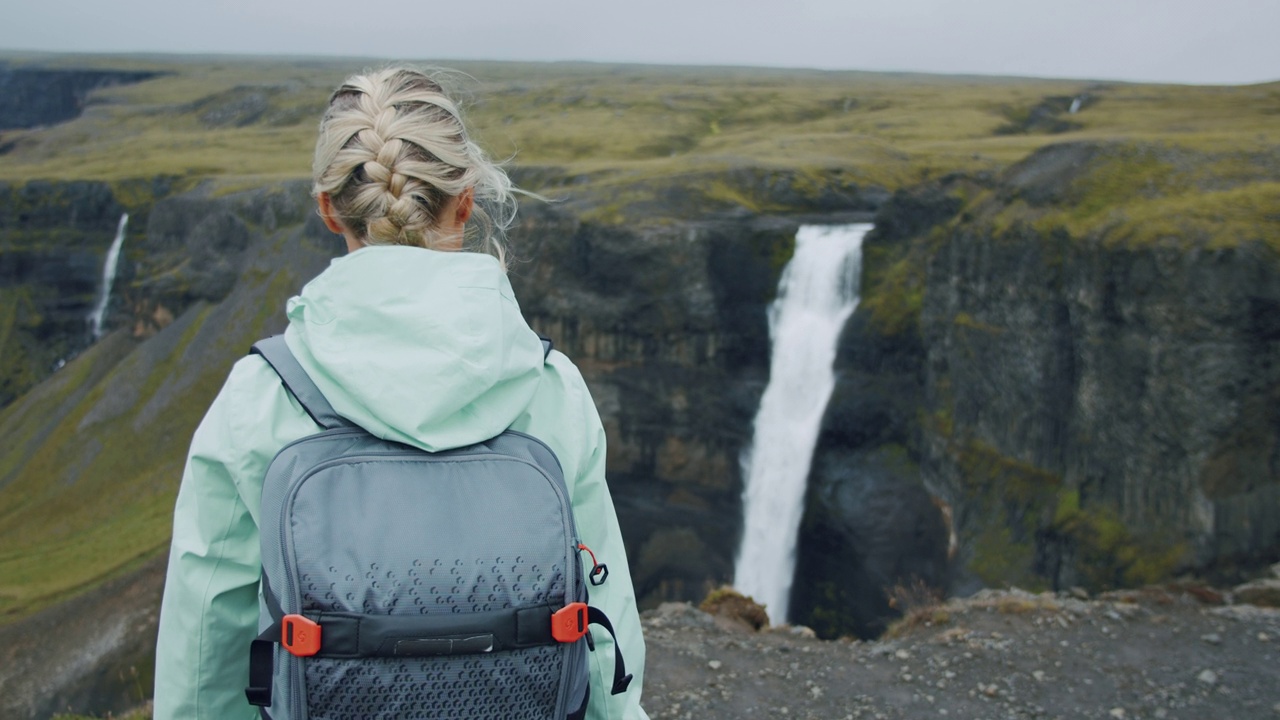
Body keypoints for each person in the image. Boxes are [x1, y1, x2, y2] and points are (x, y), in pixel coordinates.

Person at [154, 66, 649, 719]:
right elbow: (606, 641)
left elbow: (203, 654)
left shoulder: (262, 397)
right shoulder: (550, 389)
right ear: (467, 201)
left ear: (329, 208)